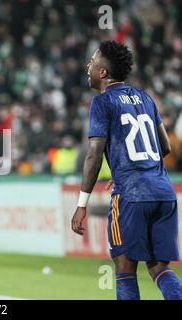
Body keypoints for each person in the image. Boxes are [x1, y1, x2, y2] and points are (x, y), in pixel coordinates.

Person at [71, 40, 182, 300]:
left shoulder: (101, 102)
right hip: (164, 191)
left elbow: (94, 155)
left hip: (132, 195)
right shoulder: (145, 97)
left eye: (93, 60)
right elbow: (164, 147)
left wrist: (81, 204)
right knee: (159, 267)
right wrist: (132, 168)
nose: (88, 65)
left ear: (103, 73)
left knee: (124, 268)